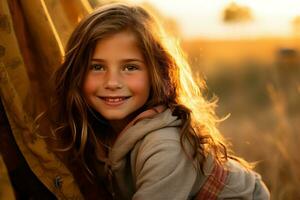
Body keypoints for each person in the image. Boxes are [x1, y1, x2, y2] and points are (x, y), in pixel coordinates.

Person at [43, 2, 270, 199]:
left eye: (130, 67)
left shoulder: (165, 147)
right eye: (97, 67)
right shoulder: (94, 129)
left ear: (156, 72)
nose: (112, 82)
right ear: (76, 74)